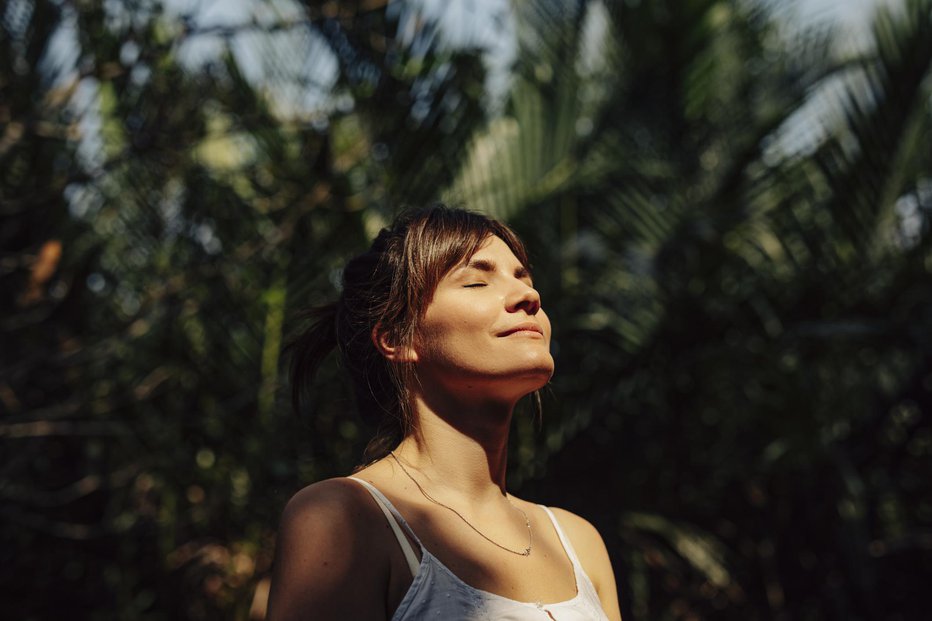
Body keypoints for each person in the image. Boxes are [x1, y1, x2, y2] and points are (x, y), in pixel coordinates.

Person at [266, 205, 622, 621]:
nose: (530, 296)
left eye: (523, 278)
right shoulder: (344, 518)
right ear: (398, 338)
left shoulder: (579, 543)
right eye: (476, 281)